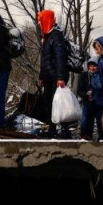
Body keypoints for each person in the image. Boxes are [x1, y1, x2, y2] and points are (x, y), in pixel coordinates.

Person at [37, 9, 70, 138]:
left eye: (41, 21)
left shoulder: (56, 36)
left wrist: (61, 77)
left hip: (57, 76)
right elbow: (44, 60)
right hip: (49, 77)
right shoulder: (47, 37)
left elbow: (61, 57)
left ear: (46, 20)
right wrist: (41, 77)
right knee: (49, 103)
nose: (39, 24)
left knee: (59, 103)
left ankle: (65, 131)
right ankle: (52, 129)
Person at [77, 58, 103, 140]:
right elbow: (79, 91)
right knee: (85, 121)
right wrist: (86, 94)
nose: (92, 68)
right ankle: (86, 137)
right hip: (87, 102)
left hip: (99, 103)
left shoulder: (102, 77)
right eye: (91, 66)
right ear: (88, 66)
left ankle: (102, 138)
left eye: (95, 66)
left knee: (100, 121)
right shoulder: (83, 76)